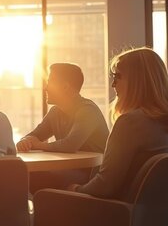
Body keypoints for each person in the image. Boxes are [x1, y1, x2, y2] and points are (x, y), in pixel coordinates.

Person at [68, 47, 168, 199]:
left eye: (118, 77)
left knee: (45, 186)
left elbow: (105, 186)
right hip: (162, 216)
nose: (113, 84)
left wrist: (76, 190)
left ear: (138, 81)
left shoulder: (130, 123)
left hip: (121, 213)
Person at [16, 63, 109, 192]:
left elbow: (70, 145)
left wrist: (38, 145)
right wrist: (25, 141)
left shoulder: (88, 110)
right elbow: (35, 135)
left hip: (91, 176)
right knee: (26, 177)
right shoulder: (56, 112)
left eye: (49, 82)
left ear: (65, 86)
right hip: (70, 169)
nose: (45, 88)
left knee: (34, 178)